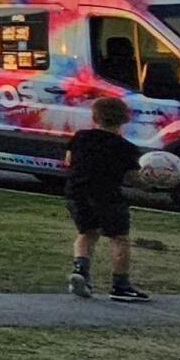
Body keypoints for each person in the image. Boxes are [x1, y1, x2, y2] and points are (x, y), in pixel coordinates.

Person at [65, 95, 150, 302]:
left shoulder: (80, 137)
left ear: (95, 117)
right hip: (107, 196)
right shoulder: (126, 148)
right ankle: (120, 285)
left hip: (76, 193)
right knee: (119, 238)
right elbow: (132, 178)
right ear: (124, 119)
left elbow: (68, 161)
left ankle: (81, 271)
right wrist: (150, 181)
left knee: (86, 233)